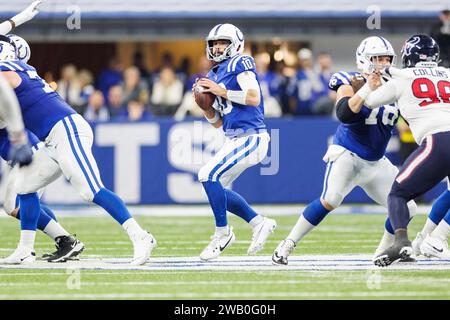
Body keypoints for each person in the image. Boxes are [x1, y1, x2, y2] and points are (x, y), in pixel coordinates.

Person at [0, 36, 156, 265]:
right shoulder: (17, 67)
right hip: (50, 139)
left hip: (66, 130)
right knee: (24, 186)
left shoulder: (7, 70)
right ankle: (25, 249)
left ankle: (141, 236)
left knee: (90, 190)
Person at [272, 36, 417, 265]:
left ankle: (383, 251)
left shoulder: (396, 86)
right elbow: (344, 113)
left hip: (376, 162)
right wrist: (368, 88)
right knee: (330, 199)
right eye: (377, 58)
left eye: (386, 59)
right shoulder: (350, 80)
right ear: (364, 60)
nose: (382, 64)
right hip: (347, 154)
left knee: (408, 208)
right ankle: (287, 244)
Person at [355, 34, 450, 265]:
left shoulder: (401, 77)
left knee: (398, 194)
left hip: (437, 140)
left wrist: (366, 87)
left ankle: (401, 242)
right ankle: (434, 238)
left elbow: (369, 102)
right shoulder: (447, 73)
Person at [194, 23, 277, 261]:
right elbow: (218, 123)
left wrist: (220, 91)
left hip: (252, 136)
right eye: (214, 44)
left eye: (223, 43)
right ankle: (259, 222)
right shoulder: (212, 74)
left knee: (207, 174)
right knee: (216, 185)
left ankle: (223, 234)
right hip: (234, 138)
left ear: (236, 44)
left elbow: (253, 97)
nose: (218, 48)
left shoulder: (240, 62)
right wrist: (205, 107)